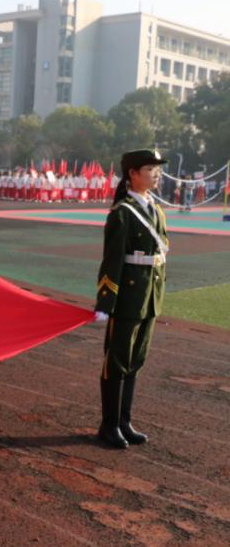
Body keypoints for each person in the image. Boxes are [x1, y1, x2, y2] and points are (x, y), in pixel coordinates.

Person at [93, 149, 169, 449]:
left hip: (149, 297)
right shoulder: (122, 213)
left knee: (135, 361)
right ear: (133, 174)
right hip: (126, 298)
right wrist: (105, 303)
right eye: (150, 168)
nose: (156, 173)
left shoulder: (156, 209)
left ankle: (124, 421)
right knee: (117, 361)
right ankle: (109, 425)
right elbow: (112, 261)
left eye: (157, 169)